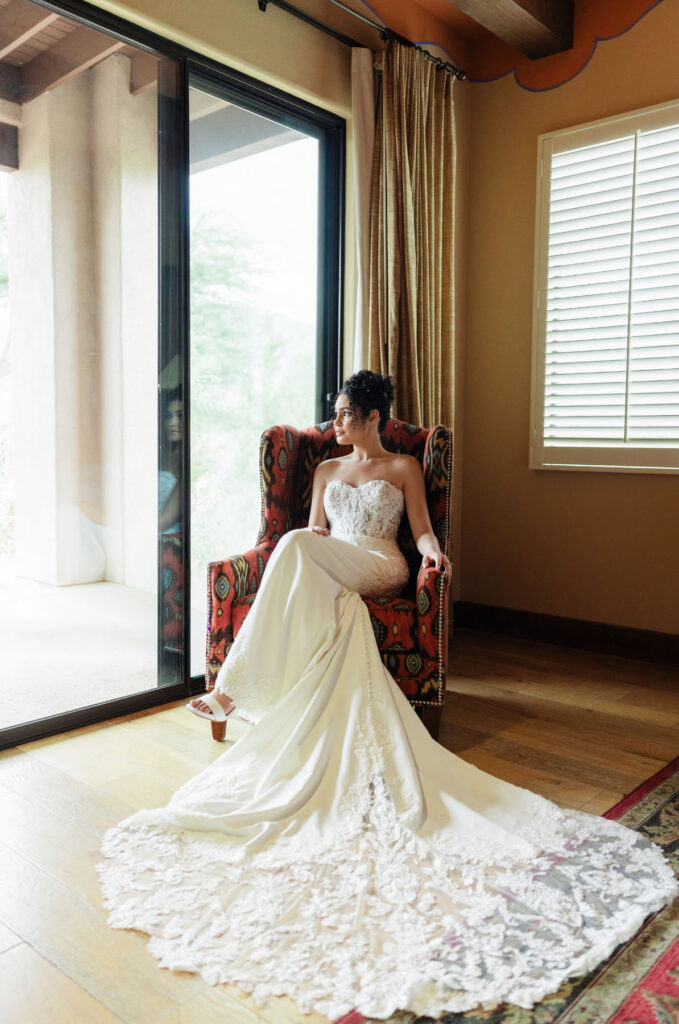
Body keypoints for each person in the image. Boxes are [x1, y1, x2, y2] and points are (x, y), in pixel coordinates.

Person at [99, 371, 676, 1022]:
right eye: (334, 414)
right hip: (330, 569)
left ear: (374, 416)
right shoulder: (321, 472)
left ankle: (232, 691)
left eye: (345, 414)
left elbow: (421, 533)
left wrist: (434, 557)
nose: (334, 422)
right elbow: (313, 537)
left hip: (379, 563)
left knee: (298, 551)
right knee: (304, 560)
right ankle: (263, 689)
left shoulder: (403, 465)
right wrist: (310, 555)